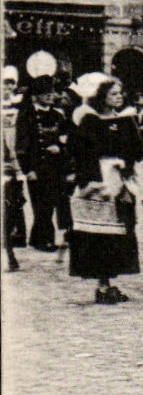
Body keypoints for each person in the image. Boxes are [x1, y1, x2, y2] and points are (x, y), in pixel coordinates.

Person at [66, 74, 143, 304]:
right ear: (102, 96)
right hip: (98, 178)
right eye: (113, 93)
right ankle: (102, 284)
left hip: (120, 180)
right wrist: (89, 181)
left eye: (120, 93)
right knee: (99, 234)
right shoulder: (90, 120)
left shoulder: (126, 119)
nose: (118, 97)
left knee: (120, 231)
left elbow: (138, 149)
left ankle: (110, 280)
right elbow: (81, 151)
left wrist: (127, 165)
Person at [19, 51, 71, 254]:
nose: (50, 97)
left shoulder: (58, 115)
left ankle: (43, 237)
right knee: (41, 204)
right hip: (38, 165)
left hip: (56, 165)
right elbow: (22, 144)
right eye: (45, 94)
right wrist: (27, 169)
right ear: (36, 96)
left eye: (51, 94)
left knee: (54, 201)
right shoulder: (28, 116)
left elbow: (66, 138)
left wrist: (61, 148)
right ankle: (42, 239)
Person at [3, 66, 24, 270]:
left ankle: (9, 252)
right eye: (4, 83)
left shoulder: (18, 106)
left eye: (10, 84)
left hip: (11, 161)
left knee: (11, 205)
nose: (7, 87)